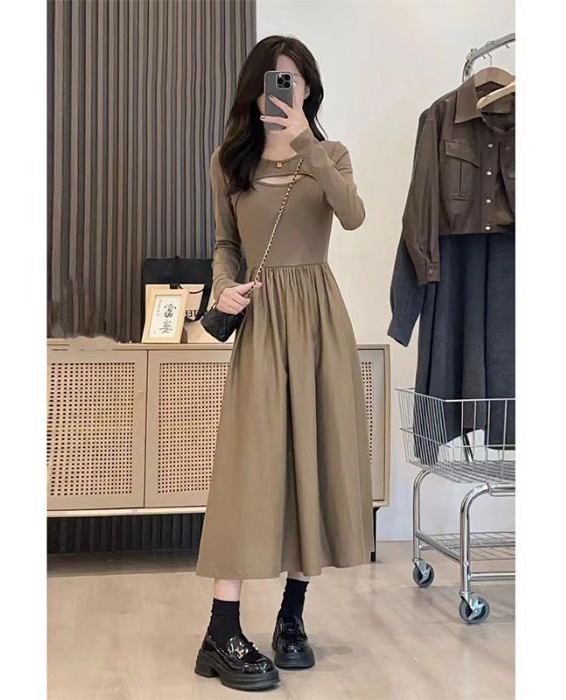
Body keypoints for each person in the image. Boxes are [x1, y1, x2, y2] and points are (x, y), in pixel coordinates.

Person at [194, 35, 373, 692]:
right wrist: (223, 287)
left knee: (313, 460)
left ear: (309, 89)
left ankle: (292, 619)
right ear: (255, 87)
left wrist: (306, 144)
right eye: (276, 80)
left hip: (320, 323)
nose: (284, 91)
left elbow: (353, 216)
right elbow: (225, 244)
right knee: (249, 471)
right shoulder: (229, 162)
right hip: (264, 324)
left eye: (294, 81)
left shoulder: (331, 154)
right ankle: (221, 630)